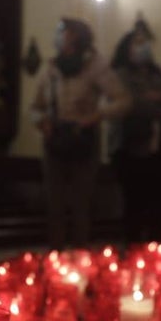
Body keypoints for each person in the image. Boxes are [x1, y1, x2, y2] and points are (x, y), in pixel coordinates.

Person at [30, 17, 131, 249]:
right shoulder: (51, 68)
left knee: (81, 205)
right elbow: (35, 106)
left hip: (82, 137)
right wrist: (42, 122)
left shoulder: (95, 66)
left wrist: (97, 115)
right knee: (54, 205)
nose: (58, 37)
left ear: (75, 37)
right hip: (55, 138)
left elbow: (123, 100)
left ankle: (80, 256)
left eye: (62, 32)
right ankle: (56, 255)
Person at [108, 19, 161, 245]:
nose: (143, 47)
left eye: (145, 43)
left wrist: (158, 96)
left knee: (159, 205)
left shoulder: (157, 75)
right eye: (138, 43)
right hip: (131, 146)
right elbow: (133, 103)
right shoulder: (120, 75)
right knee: (135, 204)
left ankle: (155, 251)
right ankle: (133, 250)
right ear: (128, 48)